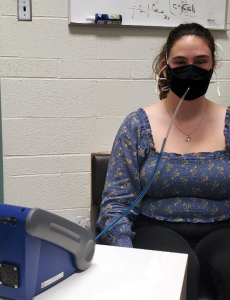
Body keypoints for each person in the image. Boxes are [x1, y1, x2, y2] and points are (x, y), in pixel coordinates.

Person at [97, 23, 230, 300]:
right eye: (180, 62)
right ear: (164, 66)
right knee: (177, 270)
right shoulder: (137, 126)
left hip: (221, 230)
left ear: (213, 65)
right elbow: (116, 203)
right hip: (157, 228)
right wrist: (123, 253)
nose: (191, 70)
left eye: (200, 62)